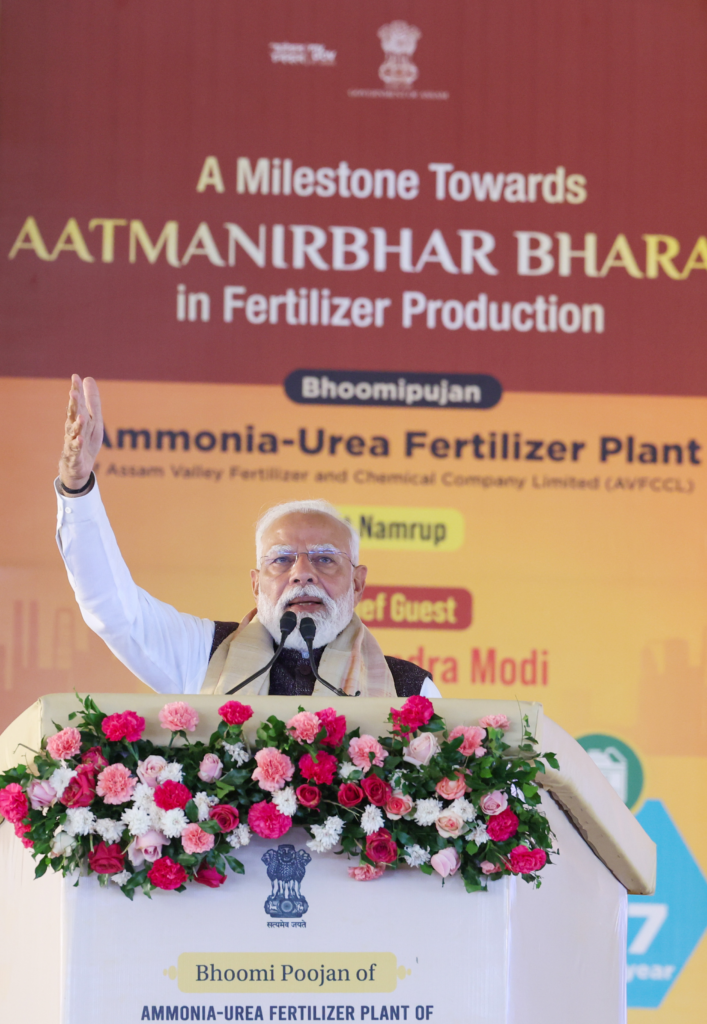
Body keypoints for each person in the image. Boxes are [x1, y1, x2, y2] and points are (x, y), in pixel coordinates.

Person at [56, 375, 440, 699]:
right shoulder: (203, 653)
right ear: (256, 585)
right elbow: (114, 610)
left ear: (357, 584)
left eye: (324, 558)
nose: (301, 573)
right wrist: (77, 489)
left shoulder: (411, 691)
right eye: (281, 559)